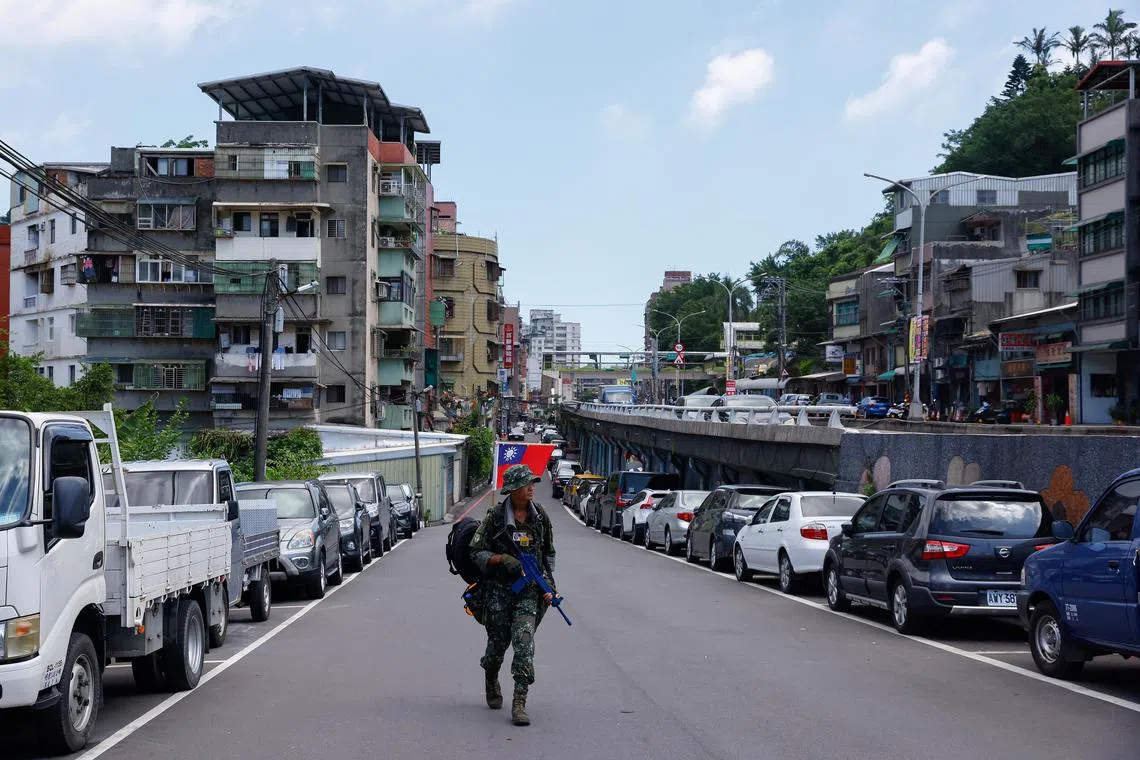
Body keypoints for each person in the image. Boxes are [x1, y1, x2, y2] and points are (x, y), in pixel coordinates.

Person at [469, 464, 557, 726]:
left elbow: (548, 554)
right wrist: (500, 559)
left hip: (528, 593)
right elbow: (476, 552)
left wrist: (549, 587)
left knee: (524, 644)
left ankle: (519, 702)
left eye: (533, 483)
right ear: (513, 489)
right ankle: (491, 675)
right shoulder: (496, 517)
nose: (532, 487)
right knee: (497, 647)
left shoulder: (540, 517)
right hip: (498, 593)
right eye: (526, 483)